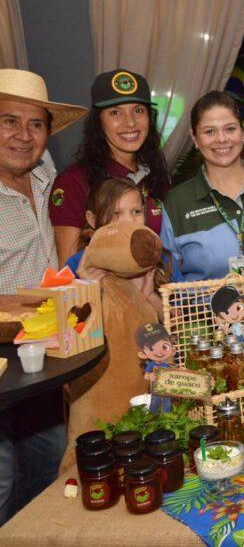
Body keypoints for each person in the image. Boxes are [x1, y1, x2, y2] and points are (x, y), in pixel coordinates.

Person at [0, 69, 86, 527]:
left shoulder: (45, 176)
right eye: (9, 121)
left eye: (36, 125)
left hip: (44, 364)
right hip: (1, 359)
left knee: (48, 467)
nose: (23, 136)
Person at [49, 70, 170, 266]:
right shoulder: (73, 182)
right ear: (99, 122)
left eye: (138, 110)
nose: (130, 122)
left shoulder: (156, 174)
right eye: (115, 113)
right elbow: (68, 268)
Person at [161, 91, 244, 281]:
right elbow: (168, 282)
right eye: (209, 131)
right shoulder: (177, 202)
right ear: (194, 138)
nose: (222, 139)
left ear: (242, 132)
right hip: (204, 310)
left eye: (230, 129)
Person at [68, 177, 182, 318]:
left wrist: (150, 296)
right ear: (92, 219)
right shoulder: (78, 265)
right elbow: (69, 326)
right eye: (116, 213)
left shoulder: (163, 260)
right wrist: (89, 290)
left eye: (136, 212)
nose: (128, 221)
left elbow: (179, 321)